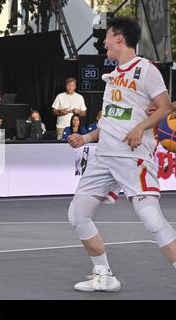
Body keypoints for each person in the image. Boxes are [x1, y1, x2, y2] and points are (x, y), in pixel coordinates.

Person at [66, 17, 176, 292]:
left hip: (132, 156)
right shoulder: (113, 76)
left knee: (151, 217)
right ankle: (104, 274)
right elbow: (110, 120)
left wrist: (141, 127)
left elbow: (164, 106)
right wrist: (87, 137)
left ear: (118, 38)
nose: (103, 42)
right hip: (103, 156)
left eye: (107, 37)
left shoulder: (146, 70)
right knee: (77, 215)